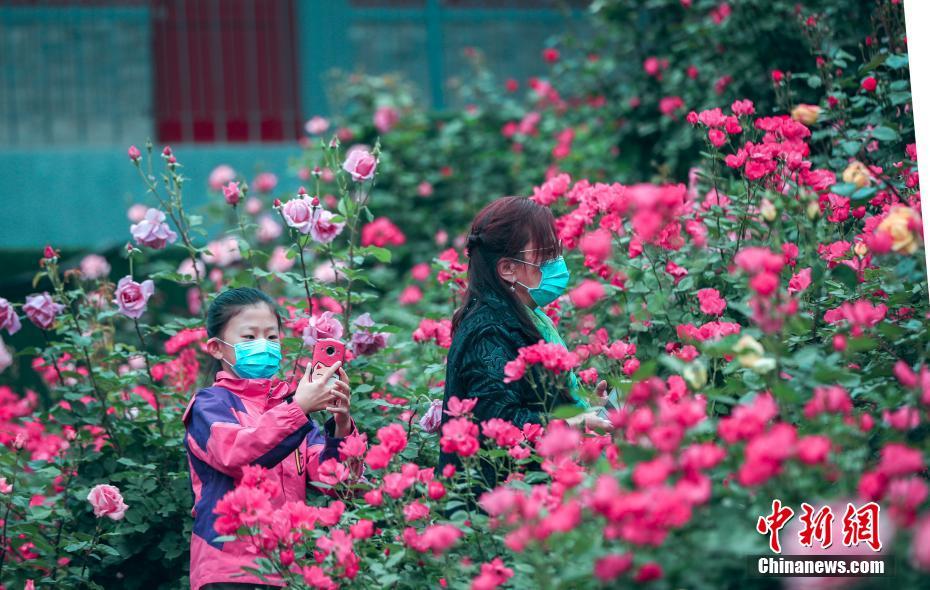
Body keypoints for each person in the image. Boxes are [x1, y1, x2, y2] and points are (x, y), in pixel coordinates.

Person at [182, 287, 358, 590]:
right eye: (249, 337)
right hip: (228, 572)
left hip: (288, 569)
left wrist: (341, 426)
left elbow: (338, 485)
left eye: (272, 337)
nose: (263, 345)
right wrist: (298, 408)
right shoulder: (208, 406)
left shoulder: (290, 408)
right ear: (216, 348)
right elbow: (236, 455)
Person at [439, 196, 612, 489]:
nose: (557, 263)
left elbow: (531, 399)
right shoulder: (487, 332)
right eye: (546, 254)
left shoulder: (527, 317)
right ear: (507, 268)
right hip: (497, 504)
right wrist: (572, 424)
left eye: (556, 250)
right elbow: (498, 423)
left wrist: (586, 408)